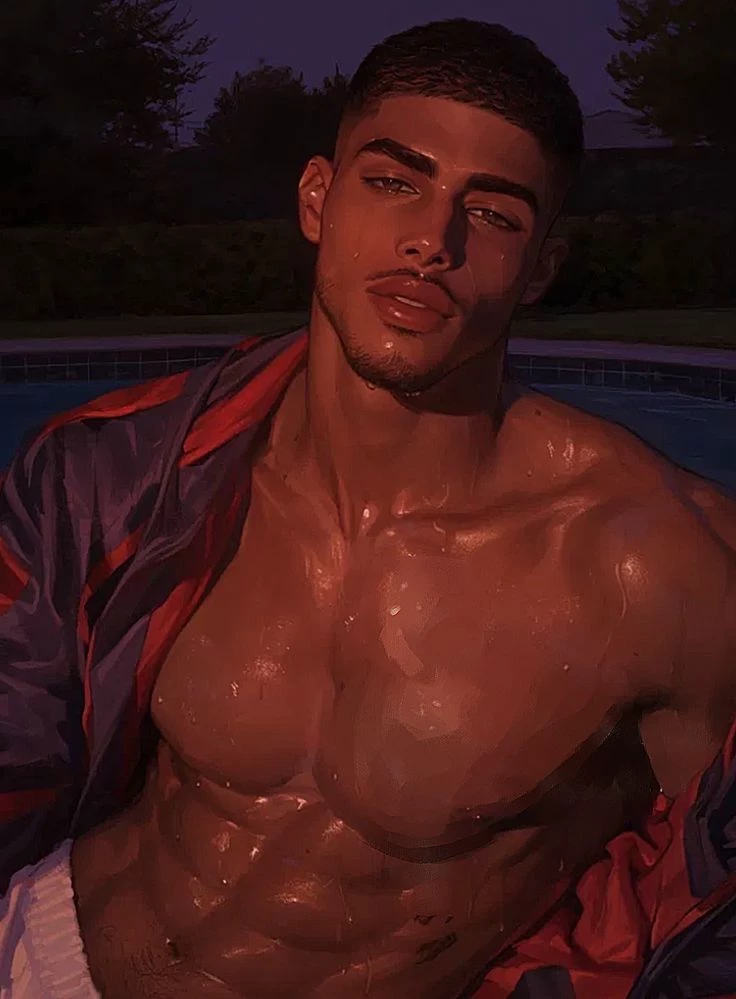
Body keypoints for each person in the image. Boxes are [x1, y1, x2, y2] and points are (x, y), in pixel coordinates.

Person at [1, 16, 735, 999]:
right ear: (317, 198)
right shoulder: (132, 481)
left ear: (542, 268)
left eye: (494, 213)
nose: (433, 241)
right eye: (394, 182)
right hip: (44, 947)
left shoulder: (652, 564)